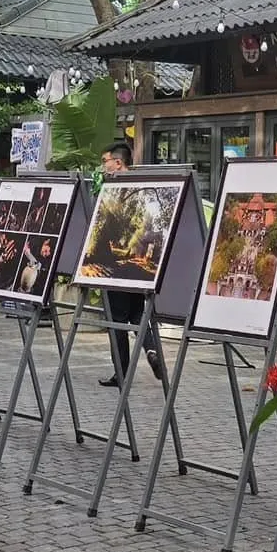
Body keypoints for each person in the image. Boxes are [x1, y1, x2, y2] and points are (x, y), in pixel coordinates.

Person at [99, 143, 167, 389]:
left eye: (105, 161)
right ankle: (151, 349)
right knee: (137, 314)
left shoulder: (115, 191)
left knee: (116, 320)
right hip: (139, 272)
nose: (103, 166)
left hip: (116, 268)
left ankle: (121, 373)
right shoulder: (143, 187)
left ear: (118, 163)